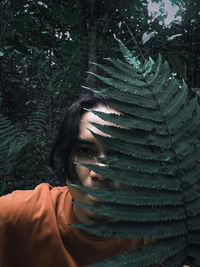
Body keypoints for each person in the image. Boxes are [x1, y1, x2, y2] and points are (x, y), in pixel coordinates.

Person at [0, 94, 177, 267]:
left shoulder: (157, 240)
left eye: (118, 154)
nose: (100, 173)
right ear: (66, 157)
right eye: (85, 151)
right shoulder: (17, 217)